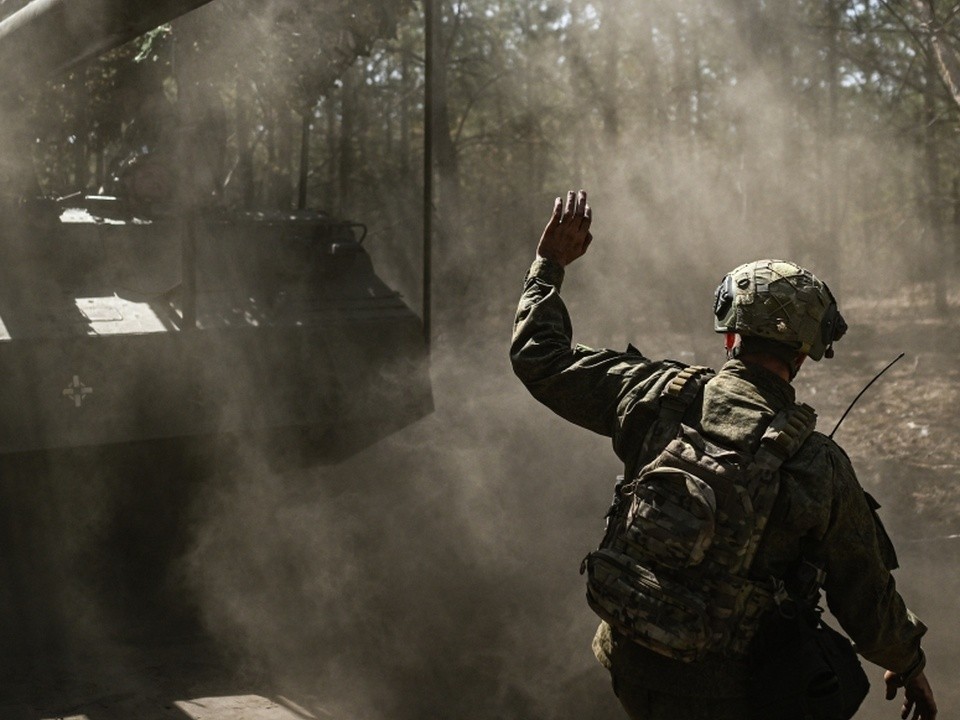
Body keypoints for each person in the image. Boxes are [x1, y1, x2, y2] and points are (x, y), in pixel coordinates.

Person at [510, 189, 937, 720]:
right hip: (738, 693)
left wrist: (549, 264)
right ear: (804, 354)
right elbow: (865, 596)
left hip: (630, 662)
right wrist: (908, 662)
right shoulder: (817, 464)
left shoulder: (655, 394)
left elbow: (541, 358)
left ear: (730, 333)